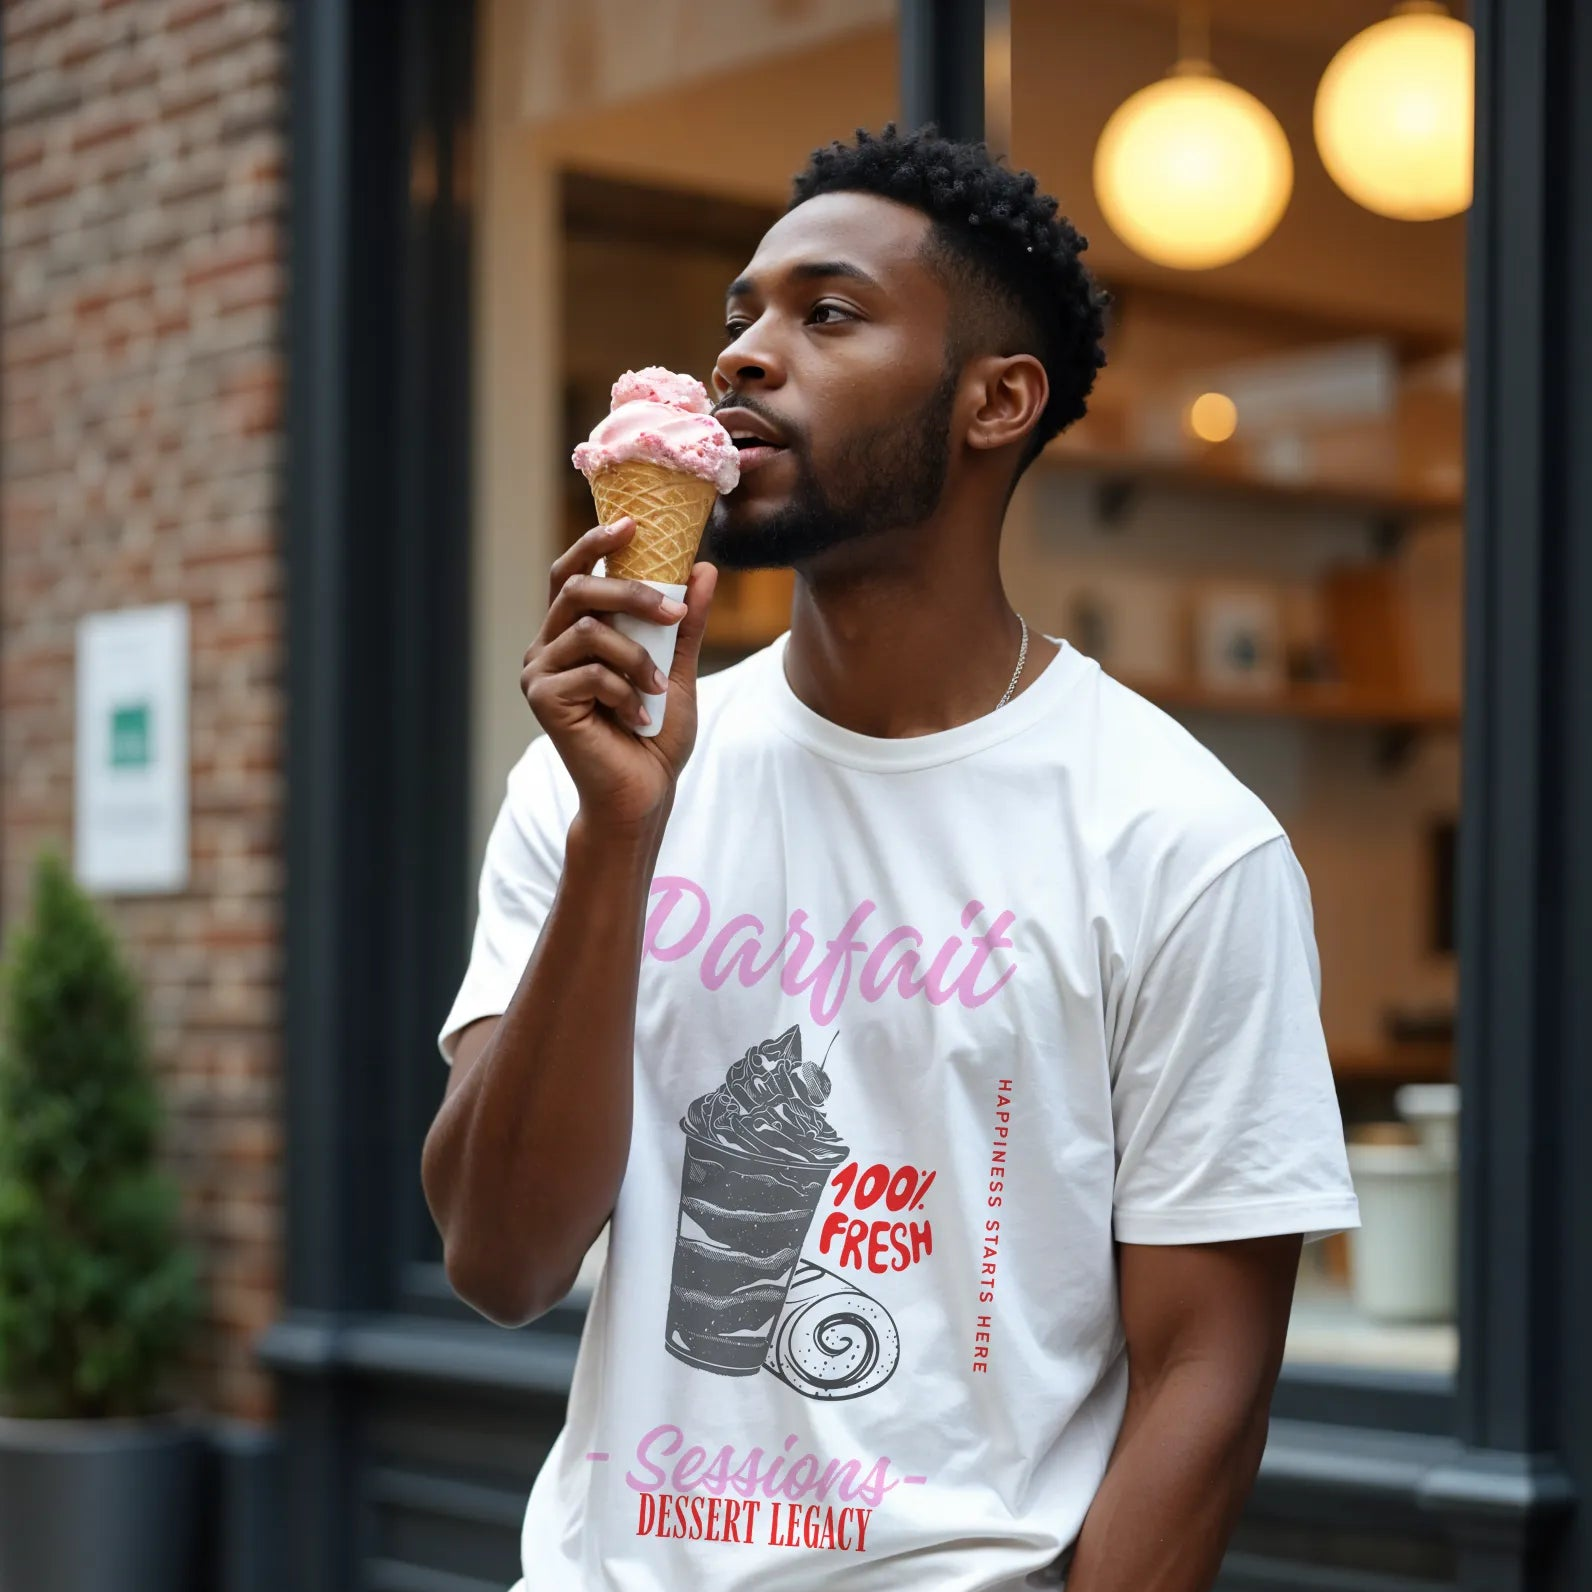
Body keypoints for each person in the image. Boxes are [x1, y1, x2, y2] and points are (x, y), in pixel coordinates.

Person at [421, 125, 1359, 1592]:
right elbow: (500, 1260)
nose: (744, 355)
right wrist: (623, 839)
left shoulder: (1178, 841)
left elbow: (1206, 1380)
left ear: (997, 401)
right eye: (740, 315)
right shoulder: (596, 779)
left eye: (827, 312)